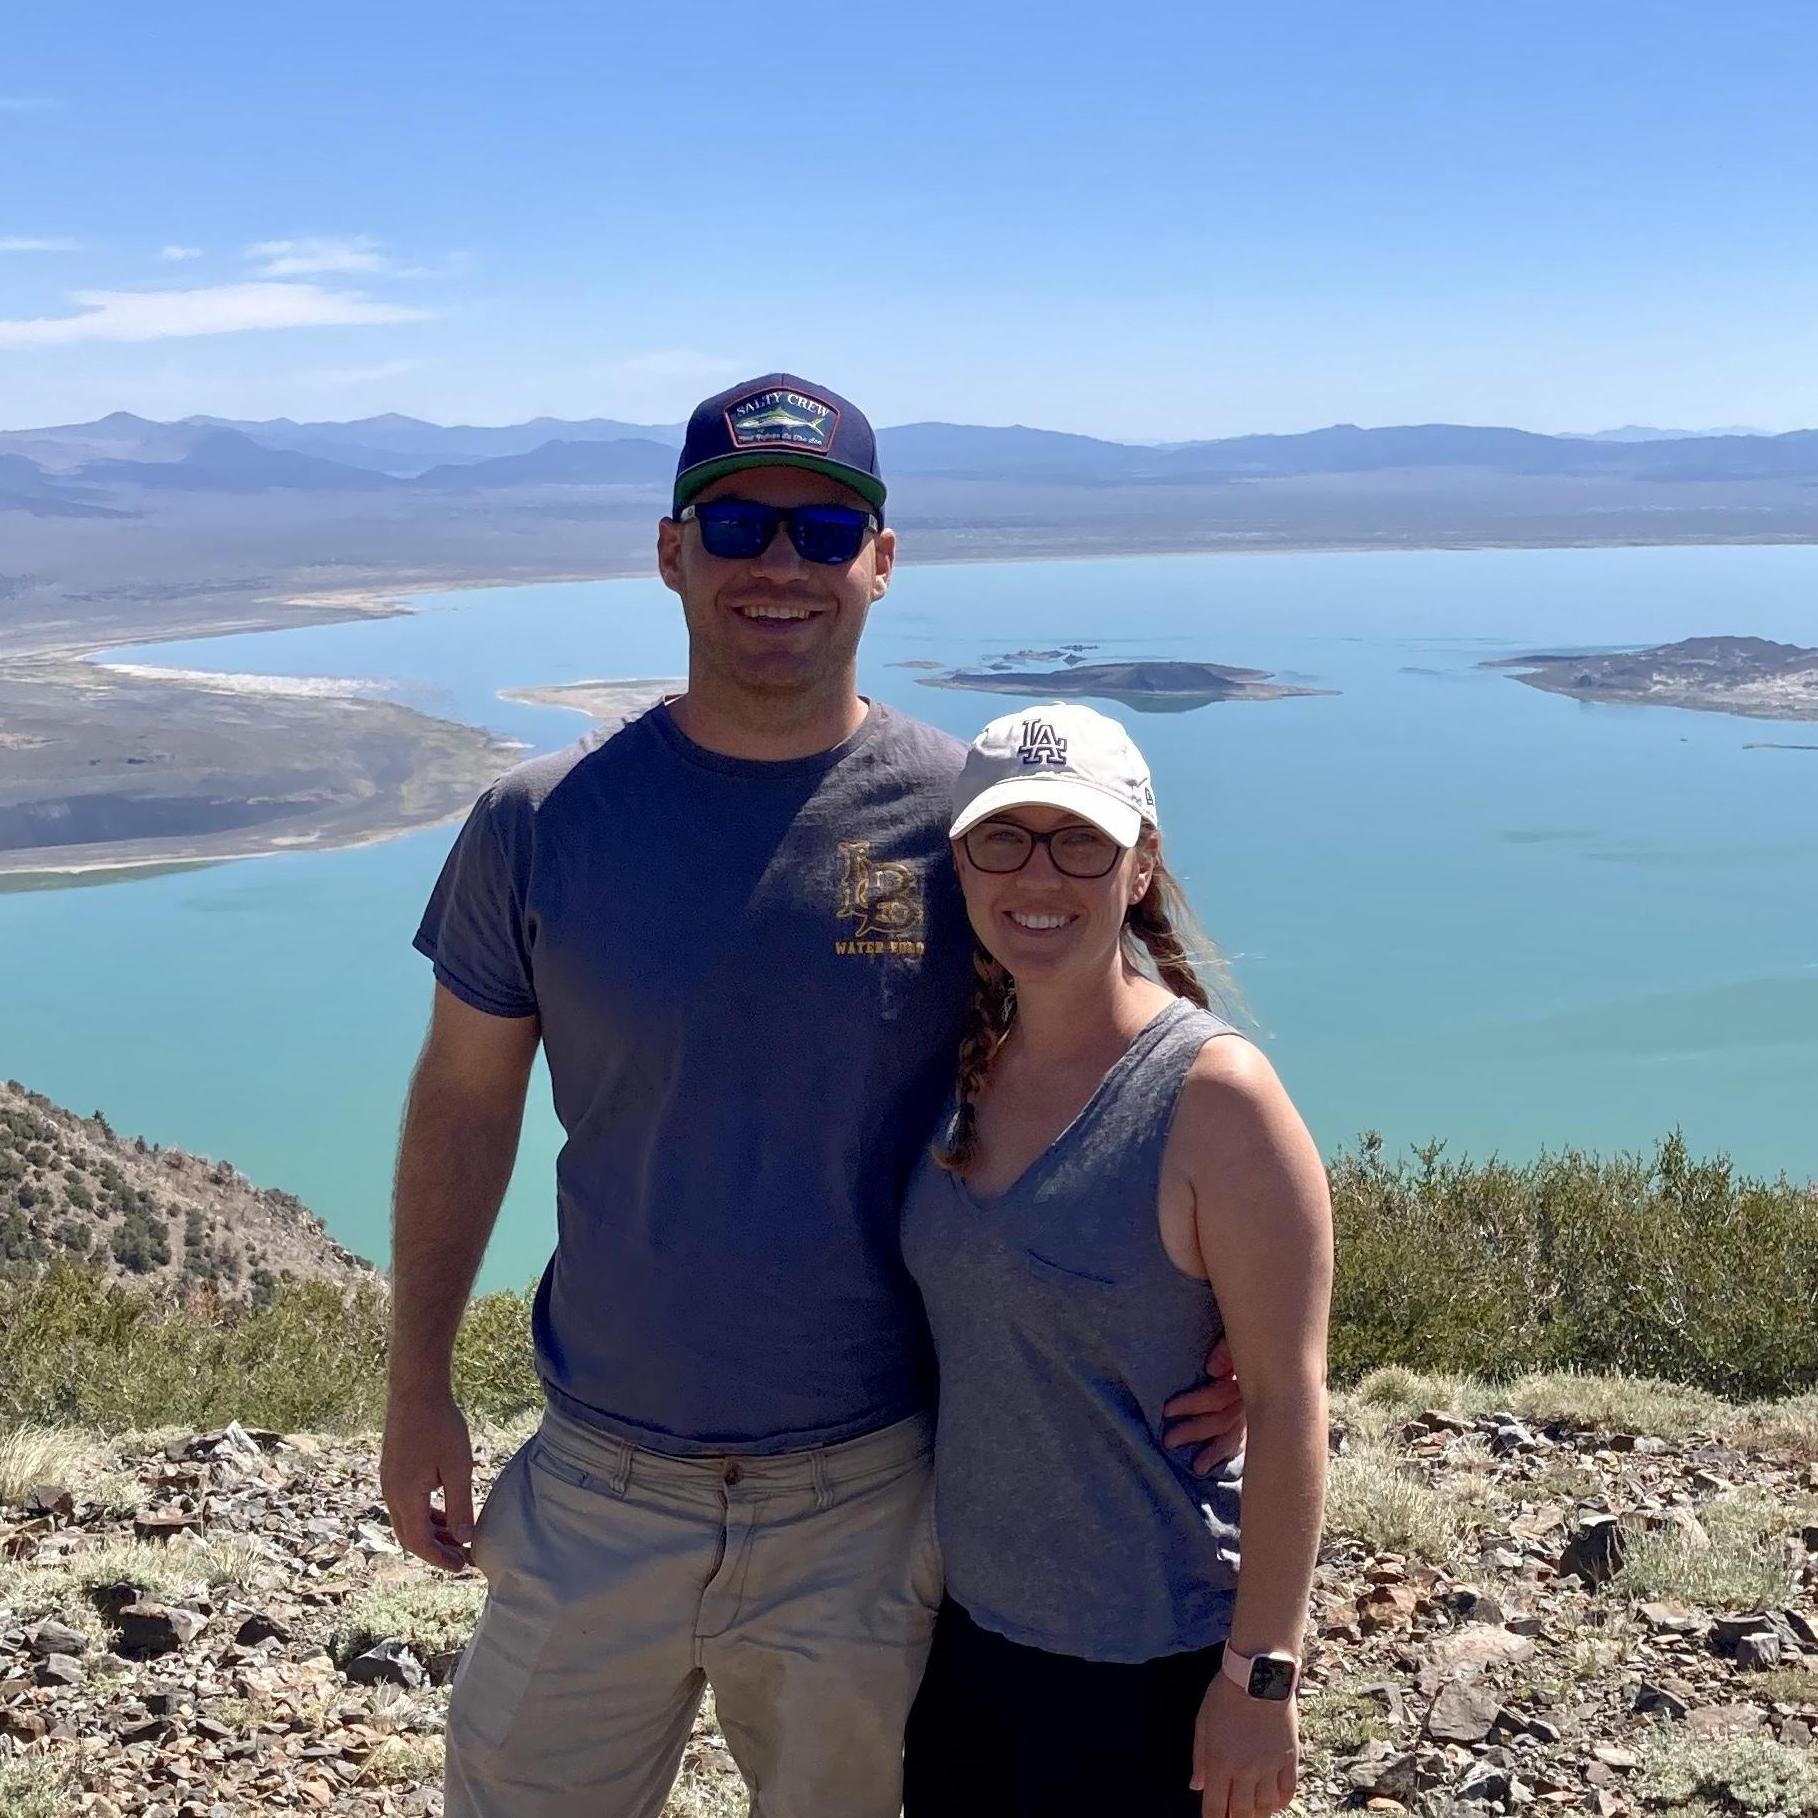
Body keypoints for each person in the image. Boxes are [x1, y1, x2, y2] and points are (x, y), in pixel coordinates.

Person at [379, 374, 1248, 1818]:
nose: (777, 564)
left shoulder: (961, 820)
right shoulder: (538, 821)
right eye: (735, 525)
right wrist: (415, 1390)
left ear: (880, 563)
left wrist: (1219, 1316)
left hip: (873, 1493)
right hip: (595, 1483)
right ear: (671, 553)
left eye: (822, 529)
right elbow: (464, 1104)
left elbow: (1118, 1053)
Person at [900, 703, 1334, 1818]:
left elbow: (1291, 1403)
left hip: (1156, 1663)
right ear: (962, 862)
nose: (1038, 873)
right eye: (1005, 836)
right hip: (970, 1647)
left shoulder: (1212, 1099)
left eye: (1080, 840)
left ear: (1140, 864)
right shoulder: (963, 1064)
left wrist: (1260, 1680)